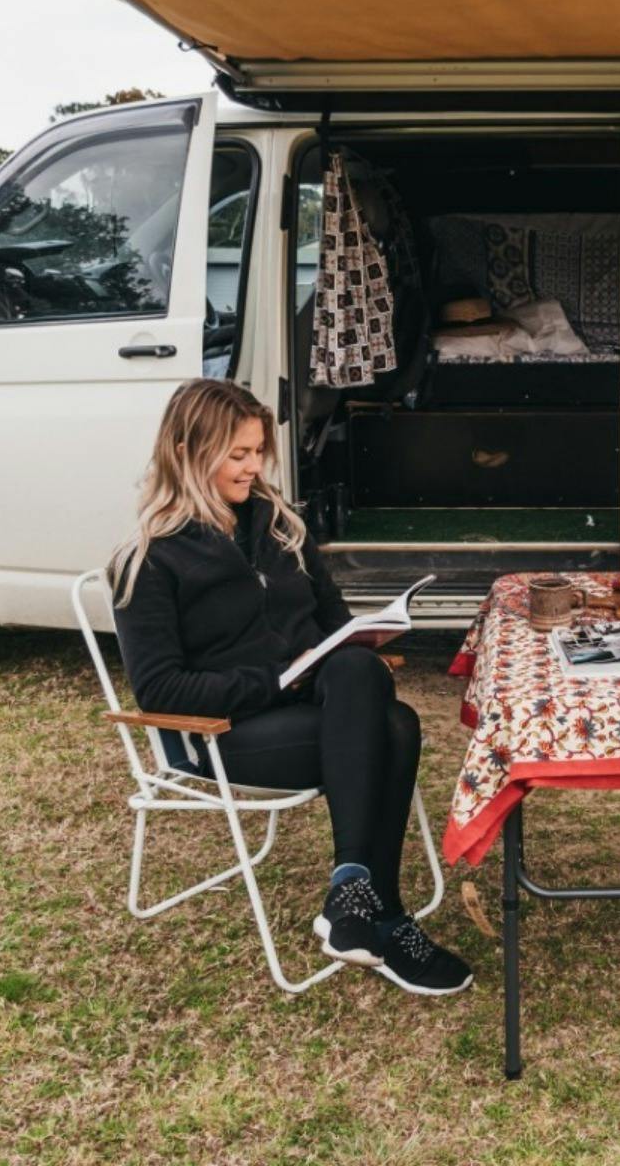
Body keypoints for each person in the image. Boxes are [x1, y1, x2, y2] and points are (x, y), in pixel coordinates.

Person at [108, 378, 473, 996]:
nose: (255, 467)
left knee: (372, 687)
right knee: (392, 723)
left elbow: (332, 623)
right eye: (238, 454)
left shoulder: (281, 527)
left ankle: (358, 906)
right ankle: (374, 909)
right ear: (189, 453)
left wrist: (360, 642)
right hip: (225, 734)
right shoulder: (151, 560)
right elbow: (160, 690)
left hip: (316, 709)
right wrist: (279, 680)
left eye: (258, 451)